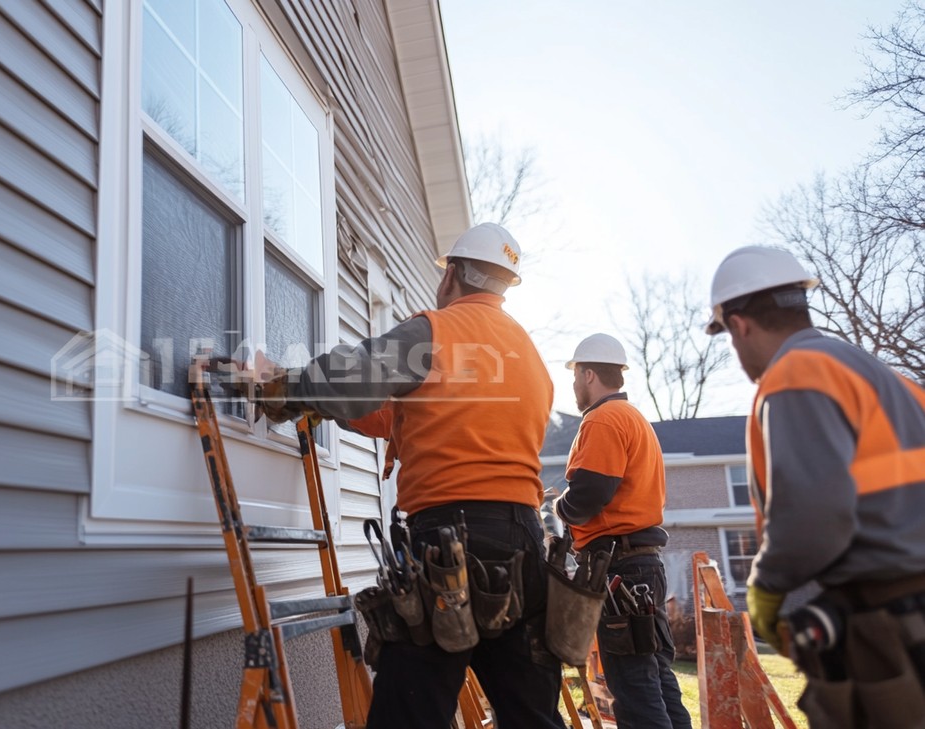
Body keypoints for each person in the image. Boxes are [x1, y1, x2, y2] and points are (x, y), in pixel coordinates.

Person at [226, 223, 565, 729]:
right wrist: (334, 411)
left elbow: (356, 377)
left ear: (451, 274)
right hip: (524, 546)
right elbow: (406, 414)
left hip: (451, 544)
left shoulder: (436, 329)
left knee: (408, 711)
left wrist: (281, 387)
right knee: (531, 714)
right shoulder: (528, 356)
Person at [706, 245, 925, 728]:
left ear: (739, 325)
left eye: (728, 336)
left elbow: (814, 519)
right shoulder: (895, 383)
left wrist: (767, 586)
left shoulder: (795, 374)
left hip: (895, 621)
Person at [553, 333, 693, 729]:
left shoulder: (602, 419)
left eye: (576, 376)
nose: (575, 386)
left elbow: (589, 495)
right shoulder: (635, 419)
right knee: (657, 679)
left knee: (633, 685)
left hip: (620, 570)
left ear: (589, 373)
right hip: (642, 566)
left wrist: (558, 506)